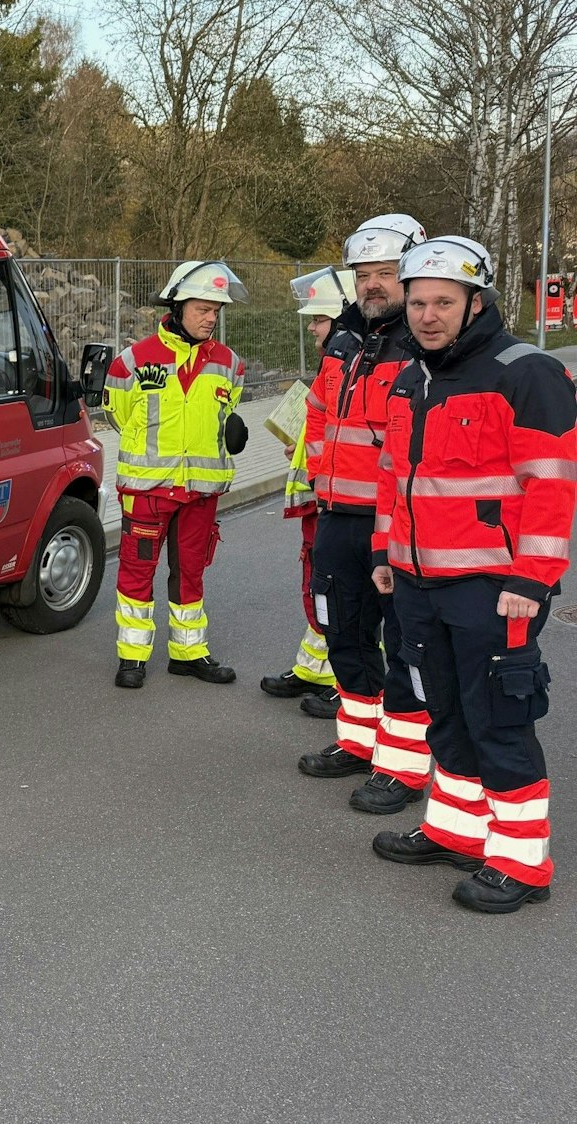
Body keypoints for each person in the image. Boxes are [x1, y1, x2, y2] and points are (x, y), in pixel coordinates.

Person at [368, 237, 576, 912]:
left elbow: (550, 486)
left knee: (497, 721)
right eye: (417, 301)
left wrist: (532, 579)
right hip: (419, 583)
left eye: (442, 302)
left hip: (495, 588)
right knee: (446, 714)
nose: (426, 315)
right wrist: (383, 554)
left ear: (474, 302)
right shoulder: (409, 376)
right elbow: (392, 481)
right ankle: (455, 830)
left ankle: (520, 865)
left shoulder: (524, 373)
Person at [295, 214, 436, 817]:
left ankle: (402, 768)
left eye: (385, 273)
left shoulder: (424, 343)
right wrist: (319, 469)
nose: (373, 285)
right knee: (343, 632)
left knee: (406, 647)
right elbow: (321, 410)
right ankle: (359, 741)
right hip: (338, 516)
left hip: (396, 526)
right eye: (363, 274)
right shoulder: (346, 339)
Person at [105, 260, 249, 689]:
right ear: (178, 305)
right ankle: (132, 656)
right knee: (137, 571)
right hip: (149, 489)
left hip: (202, 490)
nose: (211, 319)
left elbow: (227, 416)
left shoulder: (230, 364)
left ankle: (188, 653)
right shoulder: (131, 361)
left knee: (191, 571)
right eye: (204, 309)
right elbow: (117, 415)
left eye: (216, 311)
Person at [260, 269, 354, 710]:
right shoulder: (333, 366)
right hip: (321, 499)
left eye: (319, 319)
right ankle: (315, 668)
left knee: (344, 592)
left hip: (340, 501)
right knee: (319, 585)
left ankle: (352, 683)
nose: (313, 327)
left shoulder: (353, 367)